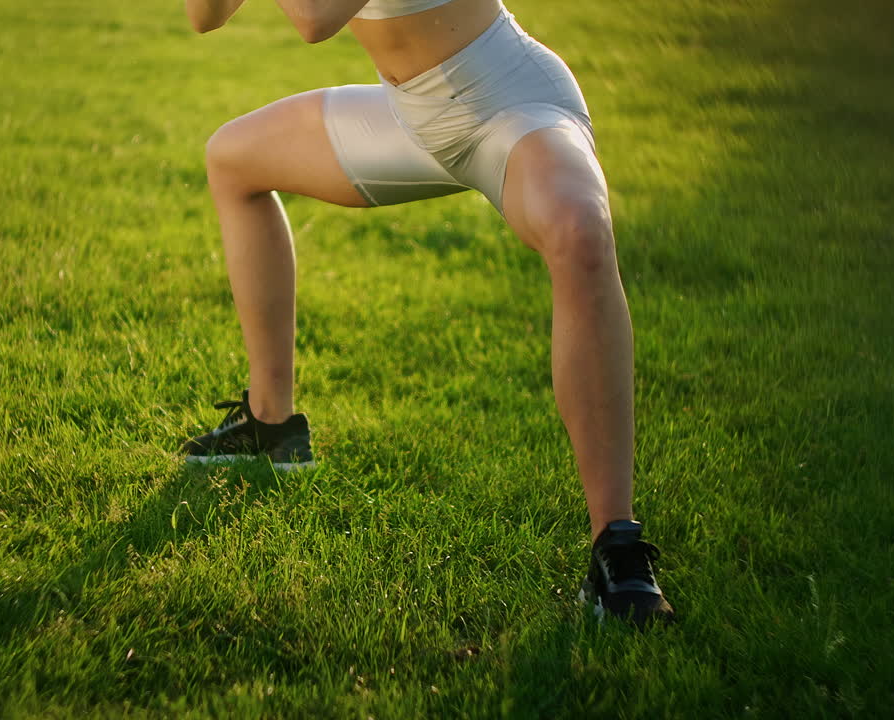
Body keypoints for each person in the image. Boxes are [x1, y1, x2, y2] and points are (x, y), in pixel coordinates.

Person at [179, 0, 675, 627]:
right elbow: (204, 16)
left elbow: (314, 17)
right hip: (411, 115)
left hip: (511, 105)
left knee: (578, 232)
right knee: (233, 158)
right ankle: (269, 424)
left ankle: (618, 551)